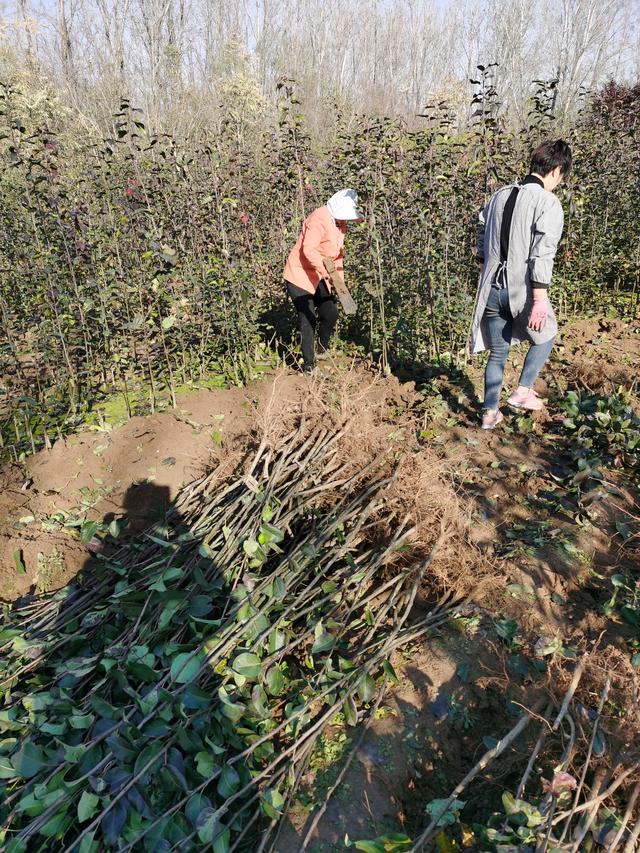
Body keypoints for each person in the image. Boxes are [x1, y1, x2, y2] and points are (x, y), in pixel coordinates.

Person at [468, 140, 572, 430]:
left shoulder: (499, 195)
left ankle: (490, 413)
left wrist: (486, 263)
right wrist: (539, 300)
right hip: (521, 290)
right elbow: (542, 254)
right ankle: (524, 390)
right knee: (547, 333)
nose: (559, 184)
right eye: (561, 177)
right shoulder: (547, 202)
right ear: (556, 170)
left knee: (498, 352)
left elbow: (480, 237)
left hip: (490, 288)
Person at [283, 189, 362, 373]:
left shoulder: (340, 224)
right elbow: (308, 250)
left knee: (331, 313)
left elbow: (337, 255)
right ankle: (309, 365)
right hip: (299, 275)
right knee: (308, 317)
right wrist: (327, 272)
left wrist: (339, 283)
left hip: (320, 274)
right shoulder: (319, 218)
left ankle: (321, 349)